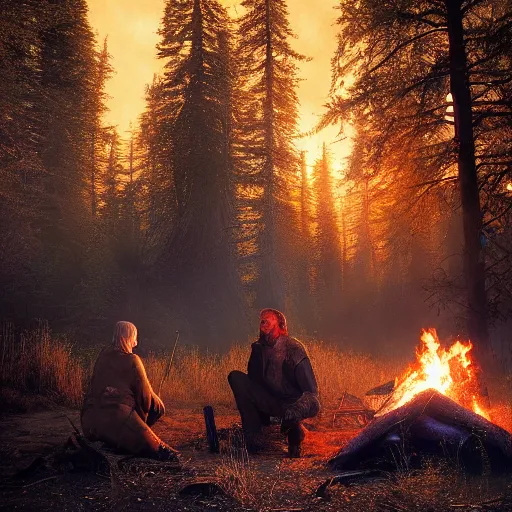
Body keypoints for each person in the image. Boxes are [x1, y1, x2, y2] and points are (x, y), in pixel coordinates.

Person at [81, 321, 178, 461]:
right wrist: (141, 422)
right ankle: (131, 439)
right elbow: (145, 399)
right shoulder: (132, 359)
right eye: (134, 337)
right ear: (126, 338)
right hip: (116, 421)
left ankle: (120, 439)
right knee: (167, 454)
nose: (135, 343)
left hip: (88, 424)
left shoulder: (102, 355)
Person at [228, 309, 320, 457]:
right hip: (270, 401)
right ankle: (253, 439)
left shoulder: (293, 348)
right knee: (236, 377)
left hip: (291, 404)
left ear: (280, 324)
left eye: (267, 319)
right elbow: (253, 383)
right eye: (261, 320)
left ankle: (295, 434)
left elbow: (312, 394)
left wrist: (294, 412)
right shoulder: (258, 349)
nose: (262, 322)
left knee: (293, 433)